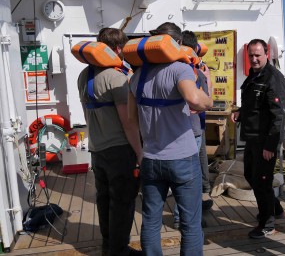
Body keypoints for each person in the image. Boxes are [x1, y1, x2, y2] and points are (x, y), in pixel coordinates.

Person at [128, 22, 213, 255]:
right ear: (177, 44)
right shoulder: (180, 69)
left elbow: (130, 119)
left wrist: (140, 153)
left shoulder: (136, 77)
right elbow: (194, 99)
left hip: (151, 159)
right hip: (182, 158)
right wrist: (208, 99)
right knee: (190, 223)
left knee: (151, 221)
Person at [77, 28, 143, 256]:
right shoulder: (116, 78)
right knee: (122, 201)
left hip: (97, 149)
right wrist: (140, 152)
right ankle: (119, 249)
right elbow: (128, 122)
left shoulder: (84, 75)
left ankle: (108, 246)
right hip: (119, 150)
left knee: (104, 199)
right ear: (117, 50)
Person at [231, 39, 285, 239]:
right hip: (252, 138)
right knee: (249, 175)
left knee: (262, 182)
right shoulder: (254, 76)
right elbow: (254, 105)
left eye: (257, 55)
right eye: (251, 56)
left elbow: (278, 115)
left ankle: (267, 223)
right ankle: (275, 209)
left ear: (267, 53)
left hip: (265, 142)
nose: (254, 59)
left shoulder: (273, 78)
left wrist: (271, 145)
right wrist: (240, 112)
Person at [172, 30, 214, 230]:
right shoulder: (194, 70)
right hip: (193, 129)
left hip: (183, 128)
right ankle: (182, 218)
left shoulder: (175, 67)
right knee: (189, 177)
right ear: (195, 48)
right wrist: (208, 79)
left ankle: (190, 210)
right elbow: (205, 101)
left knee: (188, 174)